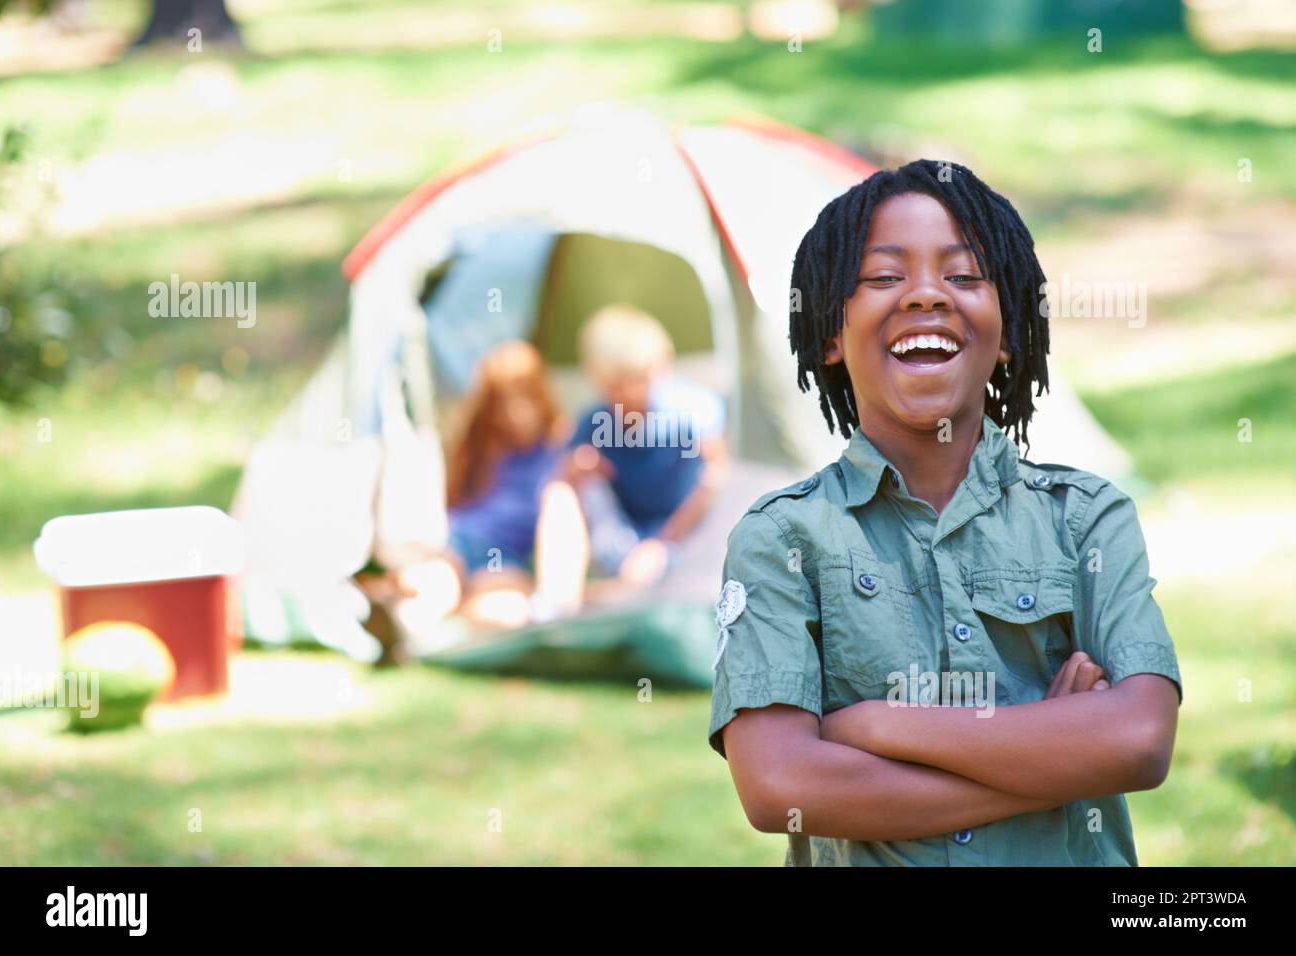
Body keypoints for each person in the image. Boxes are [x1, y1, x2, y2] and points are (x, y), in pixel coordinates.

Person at [709, 159, 1183, 866]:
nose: (926, 294)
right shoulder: (782, 537)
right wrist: (1057, 750)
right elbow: (780, 786)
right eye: (883, 277)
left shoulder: (1085, 519)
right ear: (831, 335)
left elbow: (1139, 742)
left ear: (1010, 328)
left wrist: (874, 726)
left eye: (963, 276)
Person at [391, 340, 571, 631]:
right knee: (432, 589)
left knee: (508, 612)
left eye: (525, 399)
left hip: (508, 560)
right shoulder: (484, 448)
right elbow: (454, 501)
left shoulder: (560, 449)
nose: (515, 414)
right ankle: (401, 624)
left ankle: (446, 617)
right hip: (461, 547)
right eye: (503, 404)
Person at [560, 304, 729, 594]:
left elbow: (716, 477)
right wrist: (579, 470)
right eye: (615, 386)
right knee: (565, 488)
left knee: (642, 573)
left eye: (636, 381)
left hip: (683, 535)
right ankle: (563, 595)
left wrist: (665, 541)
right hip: (623, 538)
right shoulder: (595, 420)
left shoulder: (691, 411)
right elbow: (564, 479)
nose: (626, 394)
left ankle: (615, 593)